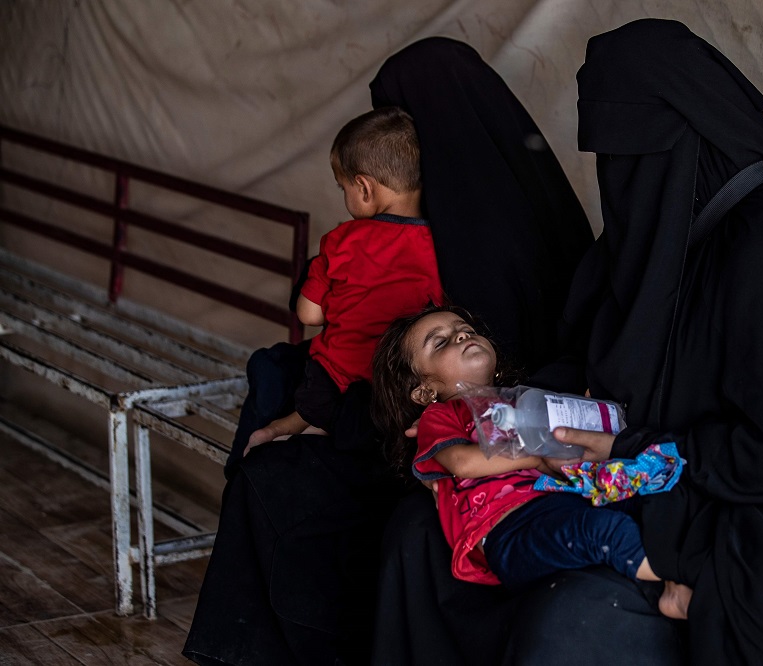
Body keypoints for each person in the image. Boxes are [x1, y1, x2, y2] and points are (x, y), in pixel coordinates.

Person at [372, 19, 763, 666]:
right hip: (660, 478)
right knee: (420, 534)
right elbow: (598, 357)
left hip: (759, 526)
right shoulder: (666, 238)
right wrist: (520, 418)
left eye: (625, 160)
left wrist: (630, 446)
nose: (619, 182)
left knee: (570, 620)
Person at [184, 36, 592, 666]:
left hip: (462, 422)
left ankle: (264, 645)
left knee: (274, 471)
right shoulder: (496, 192)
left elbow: (458, 363)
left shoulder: (475, 234)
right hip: (421, 400)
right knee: (274, 392)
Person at [369, 305, 688, 616]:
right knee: (602, 532)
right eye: (441, 341)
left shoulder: (522, 401)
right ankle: (678, 584)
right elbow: (462, 464)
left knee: (652, 495)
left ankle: (671, 578)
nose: (463, 337)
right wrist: (535, 454)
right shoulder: (440, 415)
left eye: (467, 330)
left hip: (560, 500)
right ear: (424, 393)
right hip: (509, 527)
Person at [246, 105, 443, 451]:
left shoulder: (341, 241)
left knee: (310, 414)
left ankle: (275, 431)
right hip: (397, 390)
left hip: (332, 379)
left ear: (364, 189)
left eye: (343, 188)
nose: (345, 196)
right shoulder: (441, 247)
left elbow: (308, 315)